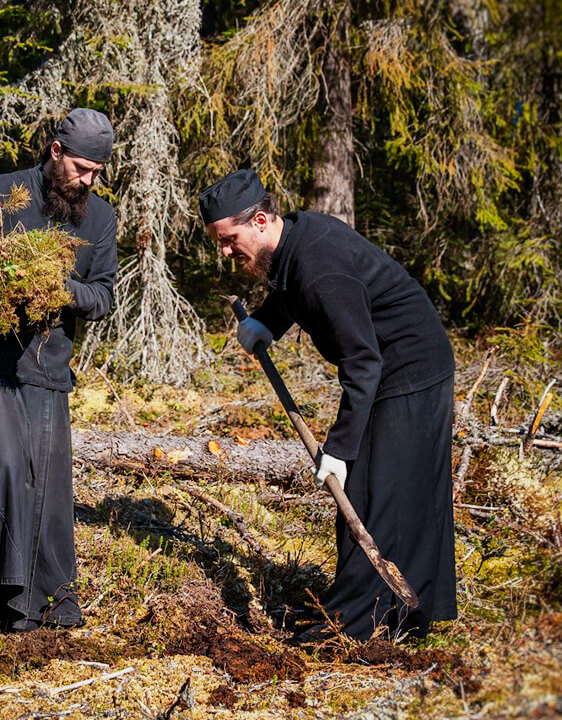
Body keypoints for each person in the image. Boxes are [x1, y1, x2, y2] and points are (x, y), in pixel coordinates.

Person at [199, 169, 457, 641]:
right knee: (380, 488)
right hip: (393, 364)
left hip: (408, 366)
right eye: (219, 242)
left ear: (259, 220)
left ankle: (361, 623)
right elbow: (288, 285)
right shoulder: (294, 237)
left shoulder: (319, 265)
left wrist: (338, 447)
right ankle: (388, 612)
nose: (225, 252)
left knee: (374, 492)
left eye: (229, 239)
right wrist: (266, 322)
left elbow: (362, 360)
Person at [0, 109, 117, 632]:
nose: (87, 181)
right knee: (3, 463)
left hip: (48, 364)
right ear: (55, 151)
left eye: (97, 172)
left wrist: (59, 288)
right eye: (81, 168)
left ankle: (40, 604)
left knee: (48, 483)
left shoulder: (99, 218)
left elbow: (102, 295)